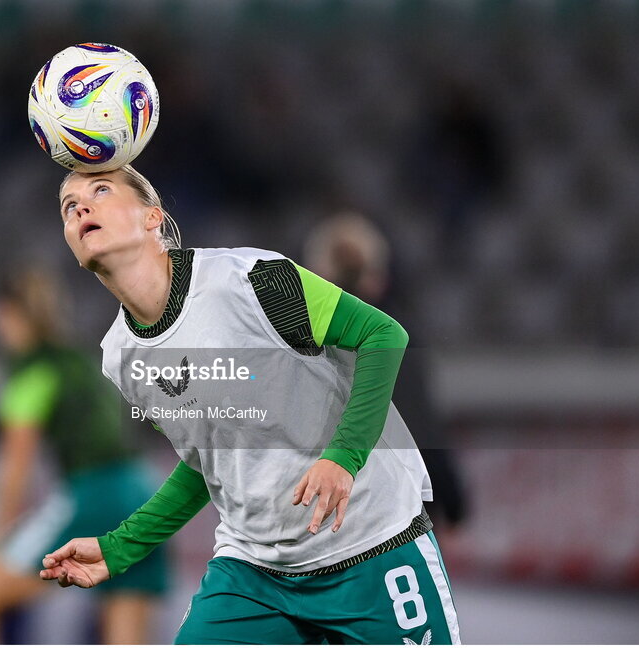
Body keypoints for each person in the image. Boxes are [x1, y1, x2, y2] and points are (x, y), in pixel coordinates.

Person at [39, 165, 461, 644]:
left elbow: (384, 335)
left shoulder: (251, 281)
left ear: (153, 217)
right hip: (256, 574)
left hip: (372, 546)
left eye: (99, 190)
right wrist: (119, 548)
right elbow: (209, 462)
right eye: (68, 206)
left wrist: (343, 457)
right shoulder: (119, 357)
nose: (80, 209)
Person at [0, 268, 167, 645]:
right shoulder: (80, 362)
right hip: (143, 496)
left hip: (93, 496)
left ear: (8, 315)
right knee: (125, 635)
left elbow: (15, 470)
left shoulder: (31, 374)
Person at [304, 213, 468, 528]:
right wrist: (451, 498)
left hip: (321, 512)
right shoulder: (394, 337)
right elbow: (418, 423)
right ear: (377, 278)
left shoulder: (294, 340)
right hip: (392, 516)